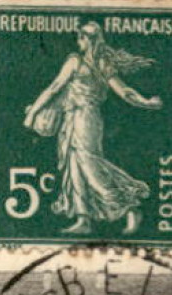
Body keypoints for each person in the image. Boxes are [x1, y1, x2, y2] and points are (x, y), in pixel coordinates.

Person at [22, 20, 164, 236]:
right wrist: (145, 102)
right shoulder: (99, 63)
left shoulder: (80, 62)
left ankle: (129, 207)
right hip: (72, 117)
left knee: (89, 164)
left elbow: (54, 88)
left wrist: (33, 113)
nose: (78, 40)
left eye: (81, 37)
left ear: (87, 40)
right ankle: (83, 219)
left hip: (86, 117)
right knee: (74, 165)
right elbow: (124, 91)